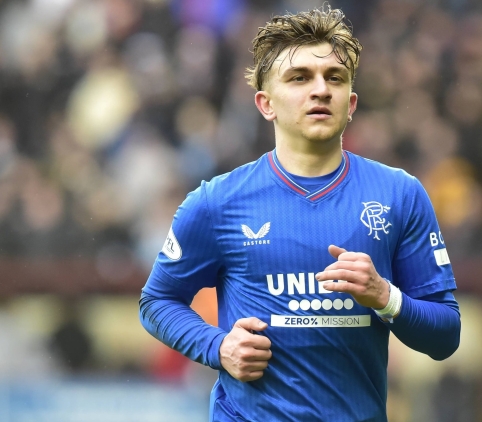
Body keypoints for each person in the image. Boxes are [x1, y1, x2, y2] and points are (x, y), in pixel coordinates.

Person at [139, 6, 461, 421]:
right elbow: (157, 300)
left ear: (351, 103)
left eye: (335, 78)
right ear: (265, 104)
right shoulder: (217, 202)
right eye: (299, 77)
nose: (321, 89)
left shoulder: (400, 195)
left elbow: (445, 336)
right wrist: (218, 347)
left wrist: (386, 297)